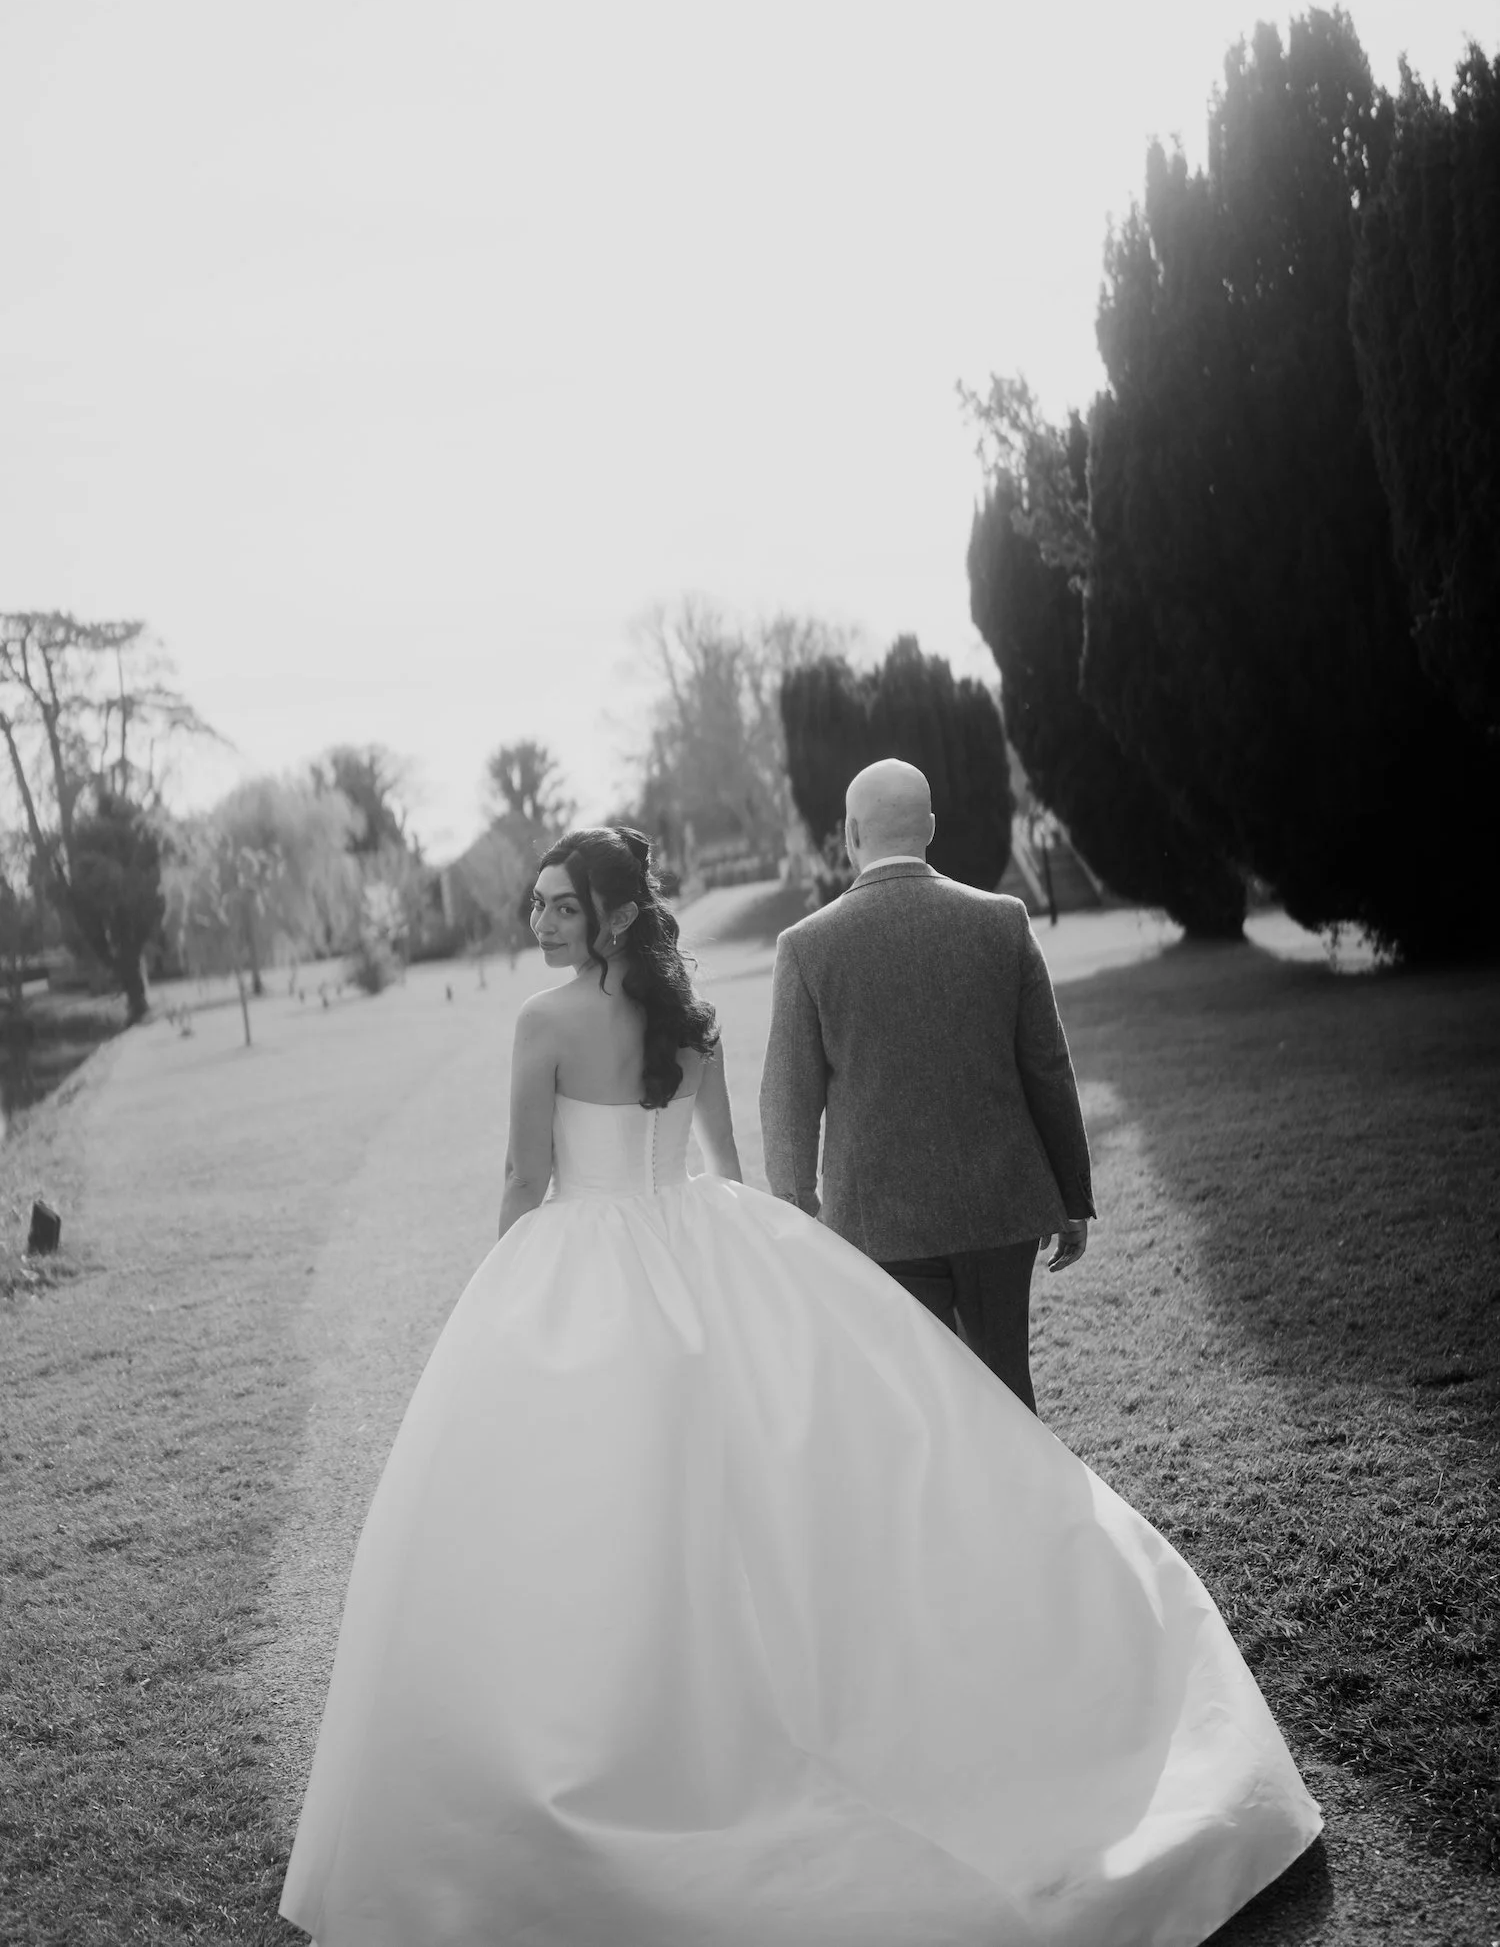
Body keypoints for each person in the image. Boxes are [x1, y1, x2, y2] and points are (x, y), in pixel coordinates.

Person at [280, 824, 1321, 1947]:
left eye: (561, 907)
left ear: (616, 914)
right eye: (537, 904)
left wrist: (500, 1284)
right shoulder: (695, 1023)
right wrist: (748, 1273)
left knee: (597, 1507)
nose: (541, 922)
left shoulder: (543, 1023)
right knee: (734, 1494)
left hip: (584, 1259)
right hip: (698, 1248)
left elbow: (525, 1177)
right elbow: (724, 1167)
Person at [759, 757, 1091, 1413]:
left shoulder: (806, 945)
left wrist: (797, 1204)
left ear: (850, 833)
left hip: (877, 1221)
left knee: (918, 1406)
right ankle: (1026, 1512)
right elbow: (1047, 1068)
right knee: (1005, 1391)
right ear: (931, 827)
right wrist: (1072, 1196)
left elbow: (788, 1094)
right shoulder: (1004, 920)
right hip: (1003, 1210)